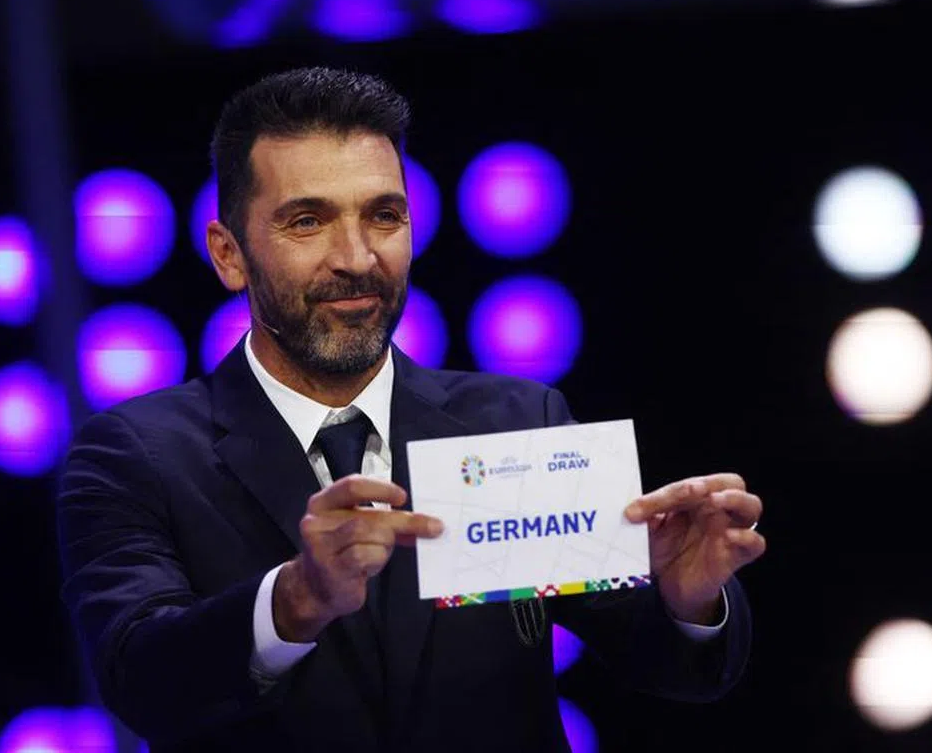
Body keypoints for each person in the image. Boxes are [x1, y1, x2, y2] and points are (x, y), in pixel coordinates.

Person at [57, 66, 766, 752]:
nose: (357, 257)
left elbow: (664, 664)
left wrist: (687, 603)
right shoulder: (137, 455)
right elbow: (139, 677)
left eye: (384, 216)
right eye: (307, 221)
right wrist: (295, 600)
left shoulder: (518, 421)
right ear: (229, 255)